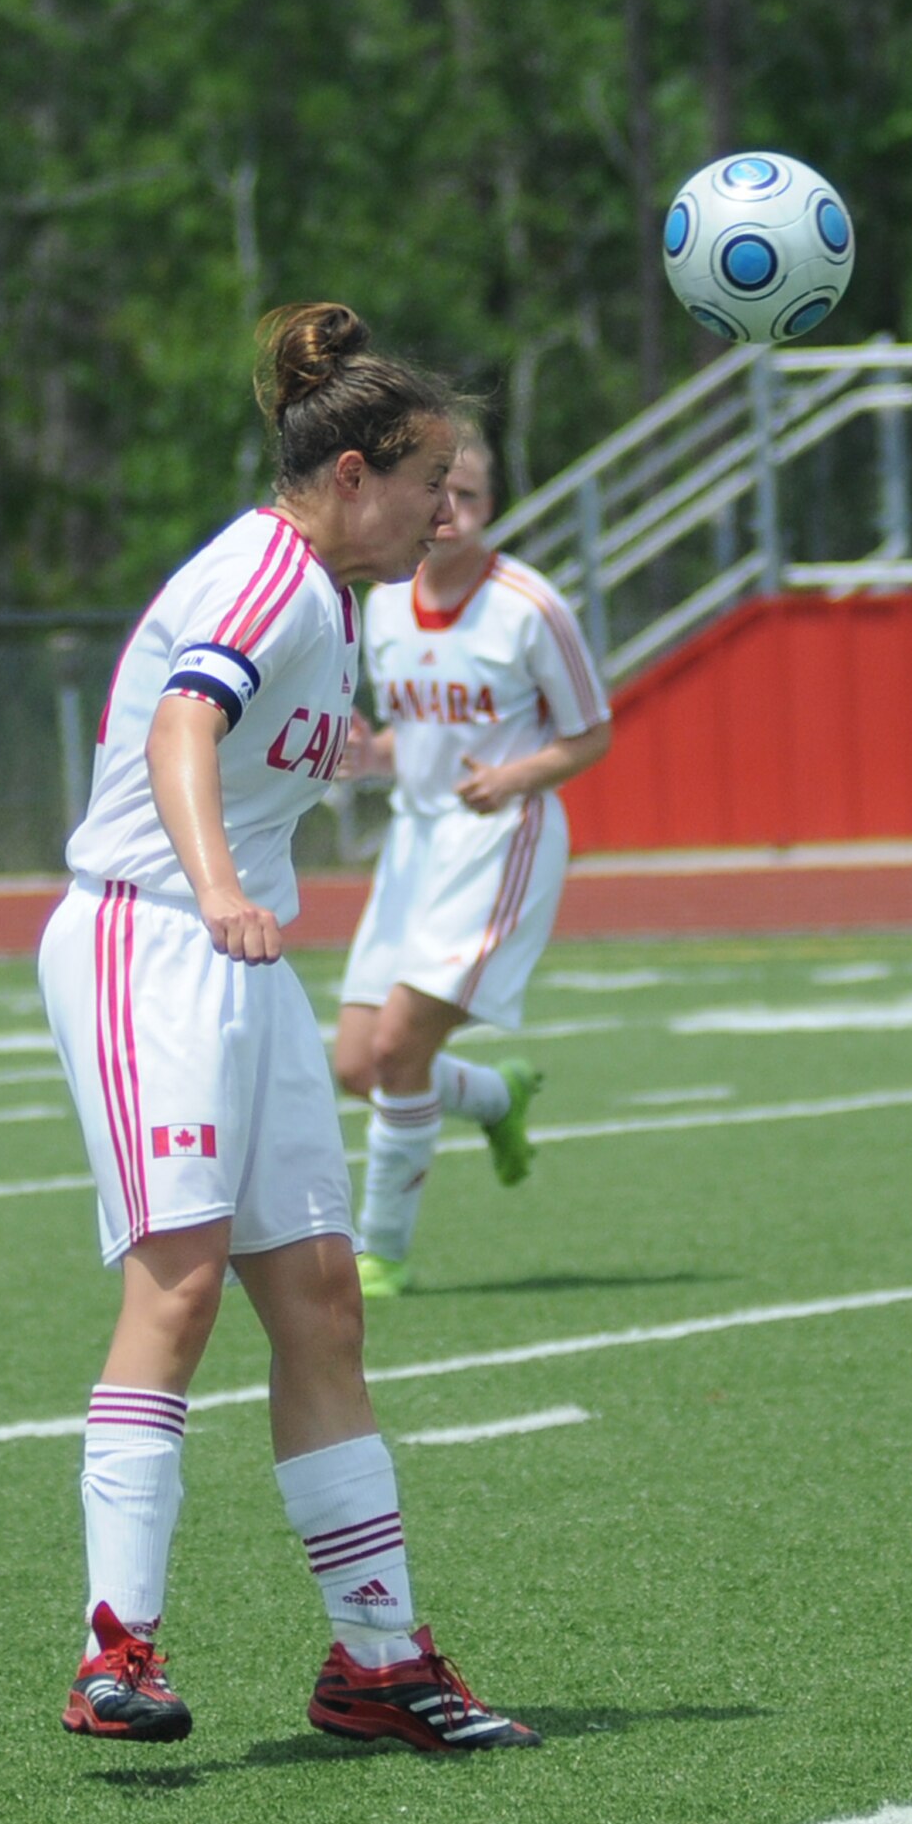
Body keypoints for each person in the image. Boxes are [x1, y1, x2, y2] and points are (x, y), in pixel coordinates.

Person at [37, 303, 539, 1754]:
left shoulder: (335, 595)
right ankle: (112, 1655)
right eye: (429, 481)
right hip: (151, 938)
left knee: (320, 1299)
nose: (448, 509)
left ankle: (376, 1661)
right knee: (179, 1290)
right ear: (350, 475)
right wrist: (212, 889)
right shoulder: (269, 575)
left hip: (235, 958)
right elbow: (181, 730)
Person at [333, 429, 612, 1298]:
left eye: (473, 496)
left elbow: (590, 733)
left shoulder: (529, 606)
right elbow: (409, 739)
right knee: (355, 1066)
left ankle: (379, 1252)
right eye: (436, 490)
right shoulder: (383, 601)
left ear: (495, 506)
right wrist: (367, 755)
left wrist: (514, 776)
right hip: (412, 844)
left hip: (500, 841)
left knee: (397, 1044)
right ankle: (495, 1099)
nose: (450, 511)